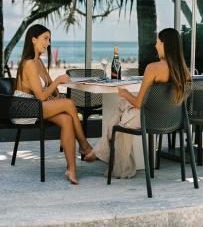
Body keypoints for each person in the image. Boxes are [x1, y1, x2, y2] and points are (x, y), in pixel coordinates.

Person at [84, 28, 191, 178]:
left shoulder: (153, 68)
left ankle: (118, 167)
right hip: (173, 120)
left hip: (148, 119)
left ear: (164, 44)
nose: (155, 45)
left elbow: (139, 103)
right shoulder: (185, 71)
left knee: (119, 126)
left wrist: (126, 93)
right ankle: (98, 151)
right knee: (122, 107)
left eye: (157, 42)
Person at [13, 24, 92, 185]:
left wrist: (56, 93)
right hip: (24, 108)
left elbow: (50, 88)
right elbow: (42, 96)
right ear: (33, 40)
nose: (48, 43)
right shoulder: (28, 64)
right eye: (45, 38)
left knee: (67, 120)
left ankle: (71, 169)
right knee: (69, 104)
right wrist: (57, 81)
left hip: (36, 105)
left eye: (49, 39)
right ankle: (84, 146)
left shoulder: (39, 63)